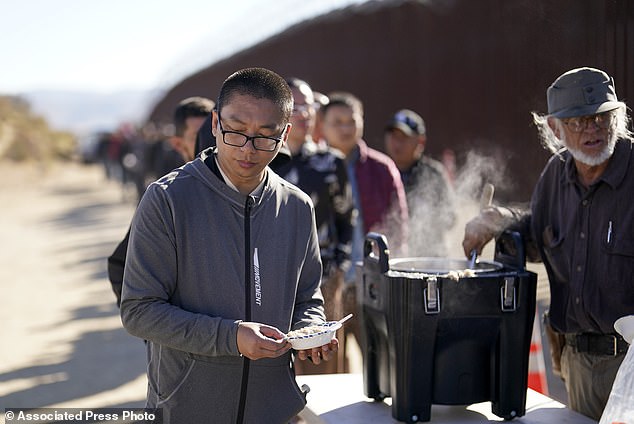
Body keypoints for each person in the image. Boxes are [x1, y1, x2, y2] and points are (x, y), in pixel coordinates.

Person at [120, 67, 337, 423]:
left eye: (265, 136)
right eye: (236, 132)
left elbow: (307, 297)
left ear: (285, 134)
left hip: (276, 410)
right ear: (216, 123)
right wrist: (230, 337)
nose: (248, 150)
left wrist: (311, 330)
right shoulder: (168, 199)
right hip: (187, 410)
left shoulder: (297, 207)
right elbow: (139, 311)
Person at [461, 67, 634, 420]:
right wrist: (501, 219)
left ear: (617, 118)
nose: (593, 129)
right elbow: (537, 235)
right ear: (555, 129)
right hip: (579, 364)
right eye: (579, 121)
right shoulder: (556, 176)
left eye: (602, 117)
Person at [320, 91, 408, 364]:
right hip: (328, 282)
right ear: (322, 125)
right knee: (332, 365)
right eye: (338, 122)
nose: (346, 128)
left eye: (352, 121)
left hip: (371, 280)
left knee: (382, 358)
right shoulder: (314, 168)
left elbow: (399, 222)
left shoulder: (381, 168)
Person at [276, 78, 355, 374]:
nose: (303, 113)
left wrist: (339, 265)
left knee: (322, 367)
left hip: (323, 279)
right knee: (275, 368)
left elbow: (347, 218)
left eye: (307, 105)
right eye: (294, 106)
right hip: (273, 282)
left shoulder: (332, 163)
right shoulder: (264, 165)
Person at [107, 97, 214, 307]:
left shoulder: (246, 189)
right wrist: (157, 333)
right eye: (198, 136)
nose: (210, 142)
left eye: (214, 133)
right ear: (177, 143)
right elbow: (122, 269)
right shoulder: (165, 197)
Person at [384, 109, 456, 256]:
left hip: (428, 256)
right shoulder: (380, 170)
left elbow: (449, 216)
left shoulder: (432, 174)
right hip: (389, 254)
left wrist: (422, 225)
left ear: (420, 141)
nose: (397, 143)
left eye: (404, 138)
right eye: (393, 136)